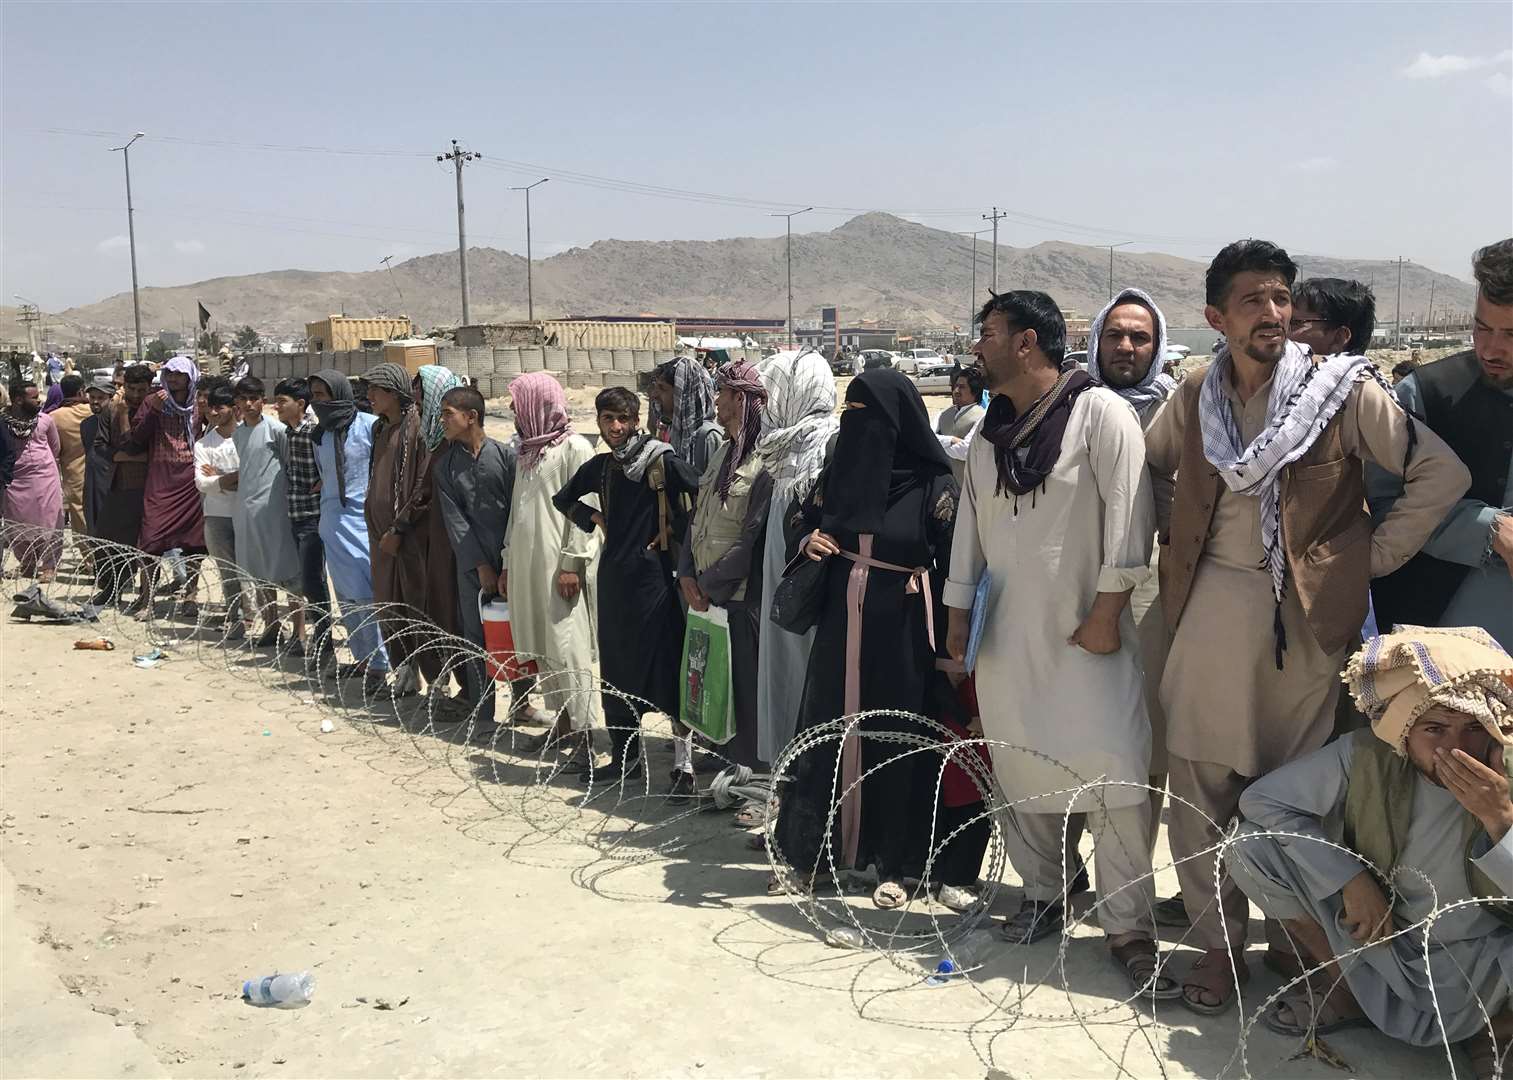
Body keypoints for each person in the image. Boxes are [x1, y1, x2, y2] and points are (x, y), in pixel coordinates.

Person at [1144, 239, 1470, 1014]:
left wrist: (1371, 558)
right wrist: (1176, 532)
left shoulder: (1335, 392)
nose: (1273, 313)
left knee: (1292, 796)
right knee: (1197, 786)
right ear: (1215, 317)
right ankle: (1216, 951)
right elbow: (1151, 468)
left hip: (1304, 622)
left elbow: (1440, 474)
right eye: (1253, 300)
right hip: (1207, 612)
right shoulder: (1193, 395)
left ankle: (1300, 950)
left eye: (1281, 299)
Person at [944, 291, 1168, 993]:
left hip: (1086, 635)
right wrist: (956, 618)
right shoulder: (988, 433)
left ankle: (1126, 923)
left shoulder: (1100, 414)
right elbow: (969, 531)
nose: (976, 347)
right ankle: (1042, 895)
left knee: (1116, 773)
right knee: (1020, 769)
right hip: (1007, 638)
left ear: (1027, 344)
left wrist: (1106, 613)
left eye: (988, 334)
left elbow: (1132, 521)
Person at [1229, 626, 1513, 1080]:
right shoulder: (1367, 755)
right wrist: (1349, 879)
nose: (1455, 748)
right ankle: (1347, 990)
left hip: (1487, 957)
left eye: (1474, 728)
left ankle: (1496, 1028)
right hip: (1387, 935)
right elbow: (1261, 801)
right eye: (1434, 728)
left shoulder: (1508, 771)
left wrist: (1500, 819)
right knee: (1249, 849)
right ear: (1403, 727)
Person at [773, 368, 956, 908]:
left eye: (866, 414)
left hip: (902, 627)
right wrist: (809, 539)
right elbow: (797, 517)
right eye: (847, 411)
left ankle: (895, 862)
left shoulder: (933, 485)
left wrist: (948, 639)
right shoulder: (838, 472)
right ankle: (811, 855)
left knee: (895, 735)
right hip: (840, 624)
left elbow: (954, 562)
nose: (855, 425)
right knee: (828, 730)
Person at [1086, 286, 1182, 919]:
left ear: (1157, 344)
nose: (1126, 346)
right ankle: (1062, 875)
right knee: (1074, 732)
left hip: (1153, 587)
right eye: (1115, 335)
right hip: (1075, 584)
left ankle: (1127, 890)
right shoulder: (1069, 407)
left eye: (1139, 337)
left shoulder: (1185, 410)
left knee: (1145, 742)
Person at [1369, 238, 1513, 651]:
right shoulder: (1425, 395)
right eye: (1482, 328)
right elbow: (1383, 506)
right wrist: (1492, 530)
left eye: (1511, 334)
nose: (1491, 348)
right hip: (1441, 647)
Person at [553, 386, 698, 783]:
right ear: (598, 421)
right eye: (607, 419)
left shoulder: (660, 461)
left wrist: (670, 528)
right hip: (615, 582)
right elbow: (563, 499)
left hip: (655, 581)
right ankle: (625, 759)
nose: (615, 427)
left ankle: (683, 764)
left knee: (665, 668)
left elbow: (701, 492)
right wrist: (596, 520)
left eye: (623, 419)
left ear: (636, 421)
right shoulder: (601, 467)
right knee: (617, 671)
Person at [677, 360, 773, 778]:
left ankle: (754, 782)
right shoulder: (722, 453)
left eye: (724, 392)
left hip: (737, 597)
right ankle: (728, 768)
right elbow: (698, 519)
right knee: (716, 688)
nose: (716, 400)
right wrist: (685, 573)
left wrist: (708, 583)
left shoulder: (766, 461)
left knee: (746, 694)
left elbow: (751, 542)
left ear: (741, 398)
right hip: (706, 596)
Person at [500, 372, 602, 755]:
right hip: (530, 567)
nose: (512, 409)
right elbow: (516, 515)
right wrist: (509, 562)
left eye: (517, 401)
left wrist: (571, 564)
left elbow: (587, 510)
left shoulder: (575, 448)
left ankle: (586, 733)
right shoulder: (528, 452)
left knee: (567, 648)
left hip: (560, 569)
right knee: (545, 650)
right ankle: (562, 725)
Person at [754, 350, 838, 767]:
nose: (763, 405)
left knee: (809, 683)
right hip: (782, 585)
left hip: (811, 594)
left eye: (769, 395)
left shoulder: (826, 448)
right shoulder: (781, 449)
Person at [434, 385, 516, 726]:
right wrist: (481, 565)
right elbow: (456, 522)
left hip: (513, 560)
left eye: (447, 414)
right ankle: (484, 712)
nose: (442, 422)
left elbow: (517, 511)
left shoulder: (506, 457)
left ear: (471, 417)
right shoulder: (446, 467)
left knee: (517, 634)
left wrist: (509, 564)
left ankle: (522, 704)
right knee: (475, 636)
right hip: (471, 567)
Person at [364, 363, 448, 694]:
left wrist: (399, 529)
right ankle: (405, 671)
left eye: (377, 390)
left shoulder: (419, 431)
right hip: (380, 535)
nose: (369, 396)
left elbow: (420, 487)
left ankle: (436, 678)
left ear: (395, 394)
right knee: (387, 603)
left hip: (408, 535)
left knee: (417, 605)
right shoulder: (379, 429)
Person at [309, 369, 389, 686]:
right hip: (332, 522)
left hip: (363, 522)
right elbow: (326, 476)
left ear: (338, 394)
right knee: (346, 597)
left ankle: (382, 663)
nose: (316, 402)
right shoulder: (321, 436)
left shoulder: (370, 427)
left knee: (367, 595)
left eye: (321, 395)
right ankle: (365, 658)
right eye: (313, 396)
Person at [228, 377, 301, 647]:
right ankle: (272, 625)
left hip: (275, 511)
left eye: (254, 398)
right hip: (248, 511)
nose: (248, 404)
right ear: (236, 402)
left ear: (262, 400)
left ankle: (299, 632)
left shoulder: (275, 430)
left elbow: (288, 465)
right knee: (259, 571)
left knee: (288, 571)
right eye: (243, 399)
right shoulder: (238, 433)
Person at [130, 355, 206, 608]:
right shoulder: (154, 400)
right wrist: (153, 410)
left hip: (190, 480)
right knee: (150, 539)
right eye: (169, 374)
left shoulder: (199, 403)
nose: (173, 379)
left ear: (189, 377)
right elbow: (138, 436)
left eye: (179, 374)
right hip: (161, 479)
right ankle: (146, 597)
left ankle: (190, 595)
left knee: (194, 542)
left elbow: (214, 428)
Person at [273, 378, 331, 655]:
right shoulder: (290, 432)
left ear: (300, 404)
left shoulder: (313, 433)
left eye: (282, 402)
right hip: (296, 513)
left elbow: (330, 466)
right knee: (308, 581)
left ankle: (324, 640)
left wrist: (325, 481)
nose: (276, 407)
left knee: (313, 582)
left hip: (313, 516)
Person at [411, 365, 464, 658]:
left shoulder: (456, 447)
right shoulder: (431, 440)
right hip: (435, 539)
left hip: (459, 547)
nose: (418, 405)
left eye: (423, 399)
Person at [91, 365, 152, 608]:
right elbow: (100, 446)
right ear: (123, 386)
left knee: (146, 543)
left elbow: (153, 449)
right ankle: (112, 588)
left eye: (141, 390)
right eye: (131, 389)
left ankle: (146, 593)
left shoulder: (155, 411)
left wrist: (134, 456)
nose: (136, 395)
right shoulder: (111, 410)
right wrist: (127, 457)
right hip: (119, 483)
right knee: (110, 537)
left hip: (150, 484)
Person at [192, 380, 246, 637]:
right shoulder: (204, 444)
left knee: (253, 568)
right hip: (217, 515)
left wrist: (221, 477)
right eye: (209, 408)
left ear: (234, 409)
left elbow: (255, 477)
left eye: (219, 408)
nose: (213, 413)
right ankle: (236, 618)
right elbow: (202, 483)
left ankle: (259, 616)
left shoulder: (248, 437)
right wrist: (235, 478)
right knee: (228, 571)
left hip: (248, 512)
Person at [1, 382, 63, 584]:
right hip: (14, 479)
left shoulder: (45, 420)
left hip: (45, 477)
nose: (39, 401)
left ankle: (48, 566)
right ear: (19, 400)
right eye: (34, 398)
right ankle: (27, 564)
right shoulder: (3, 421)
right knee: (17, 523)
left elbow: (55, 448)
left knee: (49, 521)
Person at [649, 357, 723, 477]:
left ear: (684, 393)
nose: (654, 395)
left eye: (662, 388)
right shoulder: (672, 429)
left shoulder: (708, 437)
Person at [48, 375, 92, 536]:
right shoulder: (93, 411)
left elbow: (54, 448)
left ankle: (89, 557)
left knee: (79, 514)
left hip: (73, 473)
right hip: (101, 470)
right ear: (81, 391)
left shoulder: (55, 417)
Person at [935, 366, 986, 484]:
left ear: (975, 391)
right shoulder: (944, 414)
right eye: (955, 386)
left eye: (962, 387)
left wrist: (939, 444)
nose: (956, 391)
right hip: (943, 486)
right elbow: (927, 439)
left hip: (967, 487)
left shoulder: (982, 417)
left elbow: (966, 451)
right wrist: (952, 440)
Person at [80, 376, 113, 537]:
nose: (95, 402)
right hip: (92, 483)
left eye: (101, 398)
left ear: (110, 399)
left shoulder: (118, 422)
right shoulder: (86, 424)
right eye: (92, 397)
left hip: (112, 486)